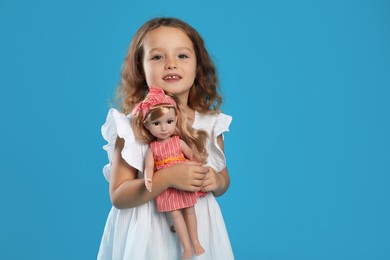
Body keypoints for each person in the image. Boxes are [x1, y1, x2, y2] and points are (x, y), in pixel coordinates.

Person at [98, 17, 234, 260]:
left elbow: (223, 179)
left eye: (182, 56)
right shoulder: (131, 127)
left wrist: (215, 181)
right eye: (157, 57)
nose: (171, 64)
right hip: (148, 238)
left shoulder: (210, 124)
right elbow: (118, 195)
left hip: (200, 230)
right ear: (141, 67)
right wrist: (168, 177)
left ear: (197, 66)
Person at [132, 86, 208, 259]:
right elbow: (149, 167)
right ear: (147, 125)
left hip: (184, 183)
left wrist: (199, 167)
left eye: (169, 122)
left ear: (176, 119)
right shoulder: (152, 147)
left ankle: (195, 241)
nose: (164, 128)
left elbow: (191, 157)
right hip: (167, 188)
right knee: (175, 214)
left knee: (189, 210)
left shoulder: (177, 141)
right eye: (156, 123)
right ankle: (186, 246)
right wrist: (148, 179)